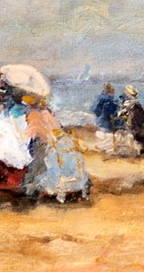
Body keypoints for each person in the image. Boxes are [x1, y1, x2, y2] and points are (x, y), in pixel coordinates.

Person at [16, 74, 89, 203]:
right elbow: (57, 129)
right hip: (57, 145)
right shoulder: (47, 113)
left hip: (45, 147)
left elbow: (32, 133)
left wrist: (23, 138)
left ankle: (30, 189)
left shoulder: (34, 115)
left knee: (33, 161)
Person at [121, 84, 144, 173]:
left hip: (136, 127)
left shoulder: (129, 104)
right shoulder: (133, 105)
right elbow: (136, 118)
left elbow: (125, 117)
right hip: (137, 128)